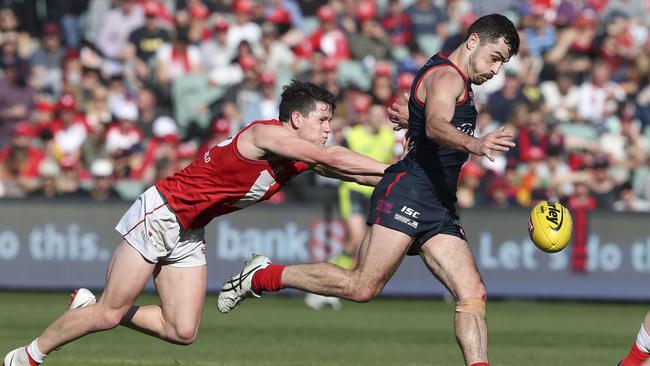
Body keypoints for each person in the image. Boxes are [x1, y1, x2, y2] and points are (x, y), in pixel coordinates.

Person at [2, 80, 390, 366]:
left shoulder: (298, 154)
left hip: (189, 231)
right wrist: (394, 169)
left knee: (181, 331)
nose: (328, 128)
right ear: (295, 118)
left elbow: (355, 174)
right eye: (322, 120)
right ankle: (24, 357)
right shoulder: (265, 134)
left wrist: (401, 178)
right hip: (163, 212)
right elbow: (336, 158)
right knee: (107, 315)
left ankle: (93, 304)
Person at [218, 14, 519, 366]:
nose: (496, 69)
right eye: (494, 57)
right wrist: (477, 144)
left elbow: (430, 120)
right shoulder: (447, 78)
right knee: (361, 287)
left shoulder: (448, 77)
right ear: (472, 42)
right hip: (410, 193)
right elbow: (438, 125)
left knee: (472, 294)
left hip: (437, 202)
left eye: (502, 63)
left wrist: (414, 121)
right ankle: (263, 275)